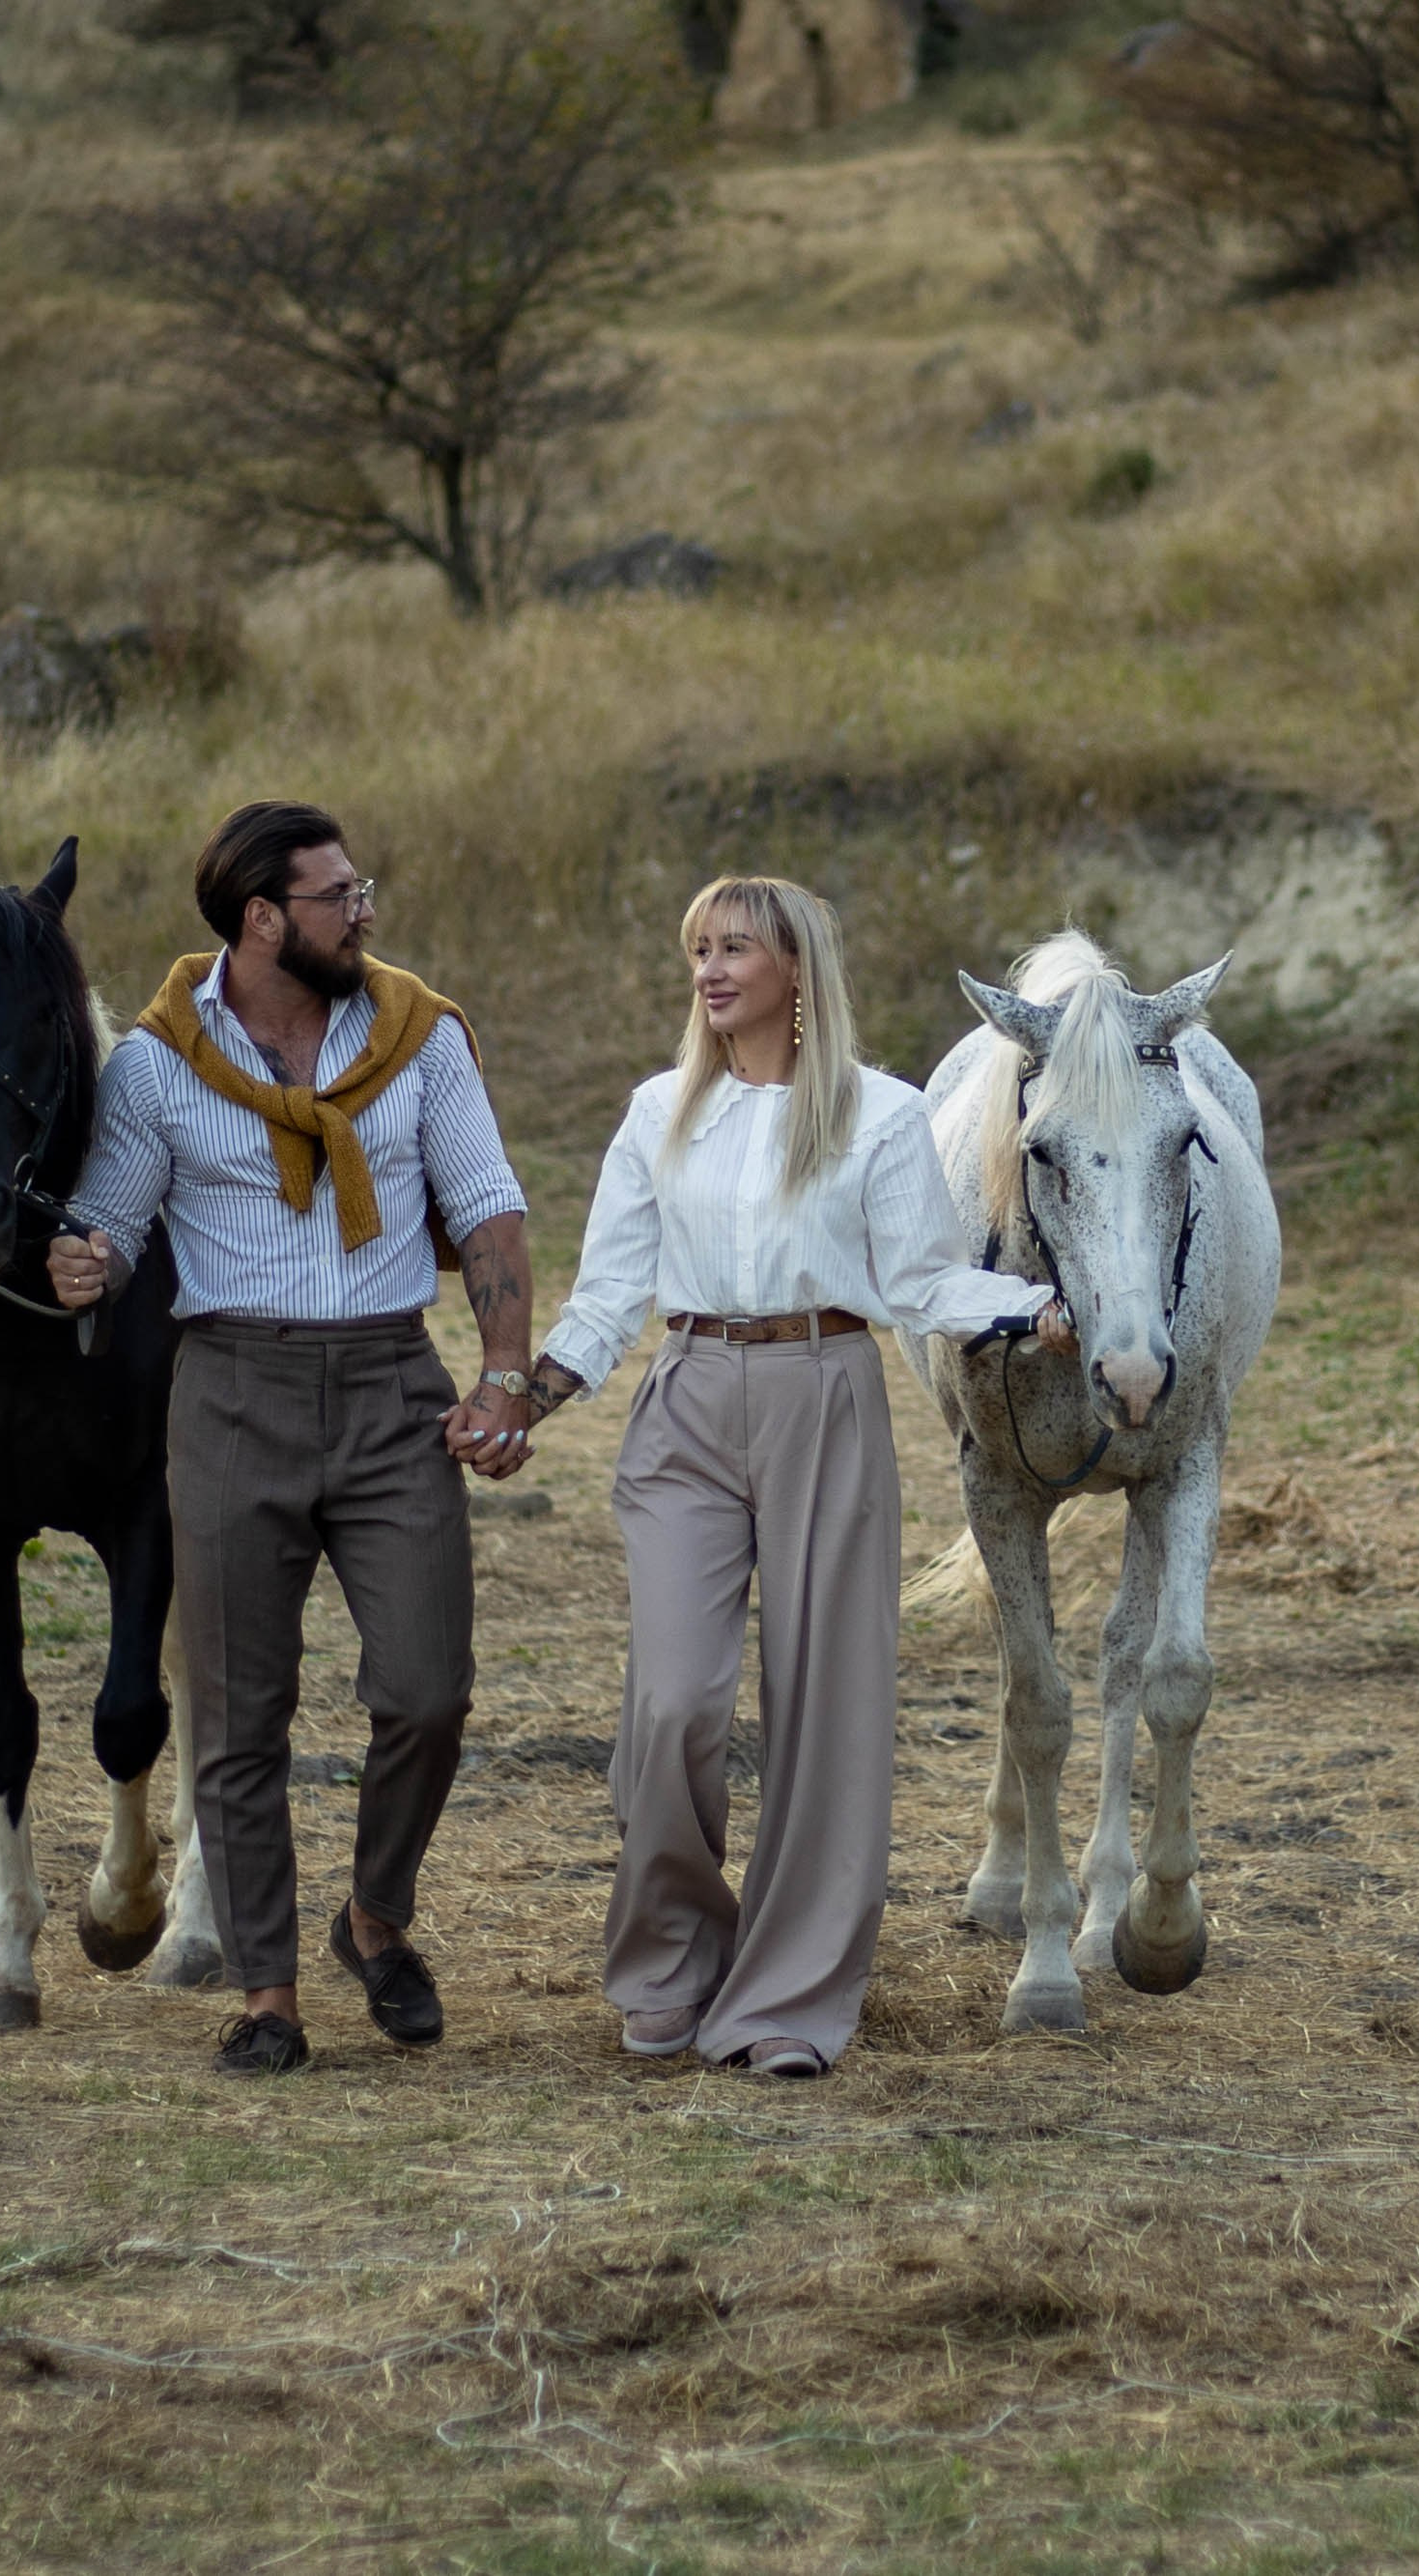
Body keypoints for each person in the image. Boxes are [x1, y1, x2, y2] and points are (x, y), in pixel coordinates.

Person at [518, 877, 1069, 2079]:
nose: (709, 970)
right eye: (698, 950)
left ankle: (789, 1996)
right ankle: (668, 1957)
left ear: (797, 973)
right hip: (686, 1396)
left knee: (829, 1708)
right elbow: (610, 1289)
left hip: (825, 1387)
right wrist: (531, 1393)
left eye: (734, 949)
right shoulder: (658, 1110)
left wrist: (1035, 1312)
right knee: (673, 1703)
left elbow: (922, 1279)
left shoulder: (880, 1113)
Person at [46, 802, 535, 2077]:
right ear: (262, 915)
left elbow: (484, 1203)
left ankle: (373, 1915)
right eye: (336, 894)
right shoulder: (157, 1062)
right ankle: (267, 1991)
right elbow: (115, 1218)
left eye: (357, 887)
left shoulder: (417, 1033)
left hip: (389, 1383)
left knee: (427, 1688)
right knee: (236, 1713)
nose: (361, 909)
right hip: (229, 1390)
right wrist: (87, 1261)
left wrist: (501, 1372)